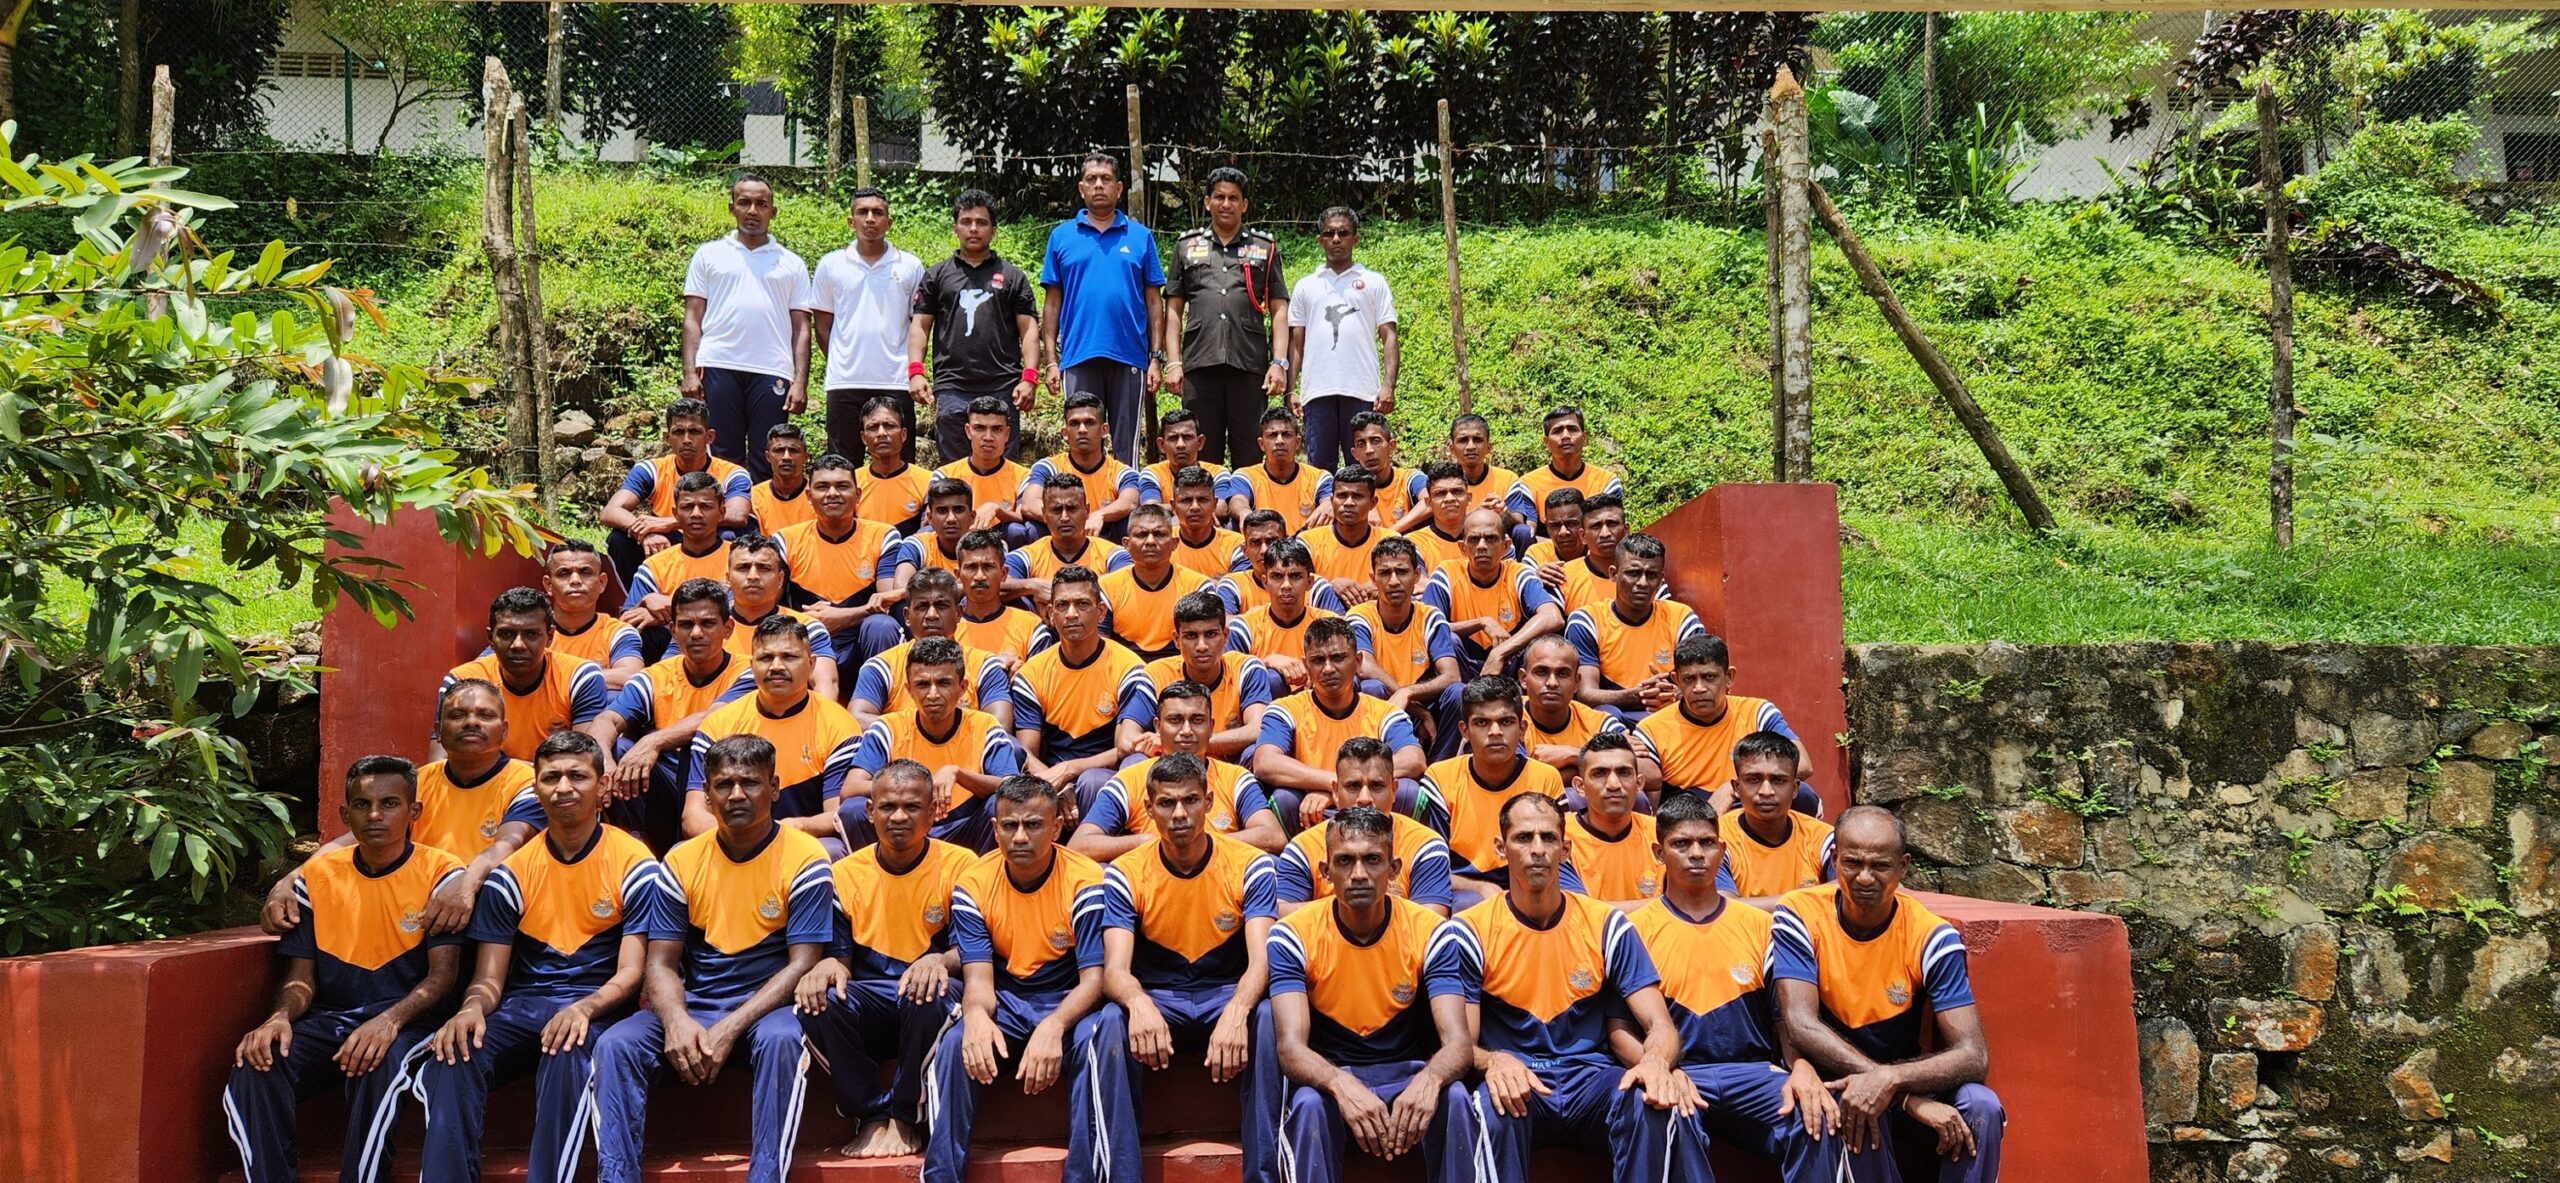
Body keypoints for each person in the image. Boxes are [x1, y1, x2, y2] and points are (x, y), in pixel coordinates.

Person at [416, 732, 667, 1183]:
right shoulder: (511, 874)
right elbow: (488, 978)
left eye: (577, 776)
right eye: (551, 778)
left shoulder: (635, 863)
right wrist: (470, 1009)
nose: (563, 787)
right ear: (536, 788)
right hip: (524, 1006)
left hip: (598, 1008)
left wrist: (583, 1009)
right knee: (454, 1053)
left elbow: (632, 973)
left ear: (601, 786)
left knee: (566, 1049)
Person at [594, 736, 832, 1183]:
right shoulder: (682, 860)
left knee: (782, 1040)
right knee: (616, 1044)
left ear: (774, 788)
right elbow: (660, 963)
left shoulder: (806, 857)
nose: (736, 794)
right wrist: (676, 1021)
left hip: (768, 1010)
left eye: (750, 783)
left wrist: (729, 1028)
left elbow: (802, 964)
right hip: (699, 1004)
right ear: (706, 794)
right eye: (724, 785)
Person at [224, 757, 465, 1183]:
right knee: (257, 1063)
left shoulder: (442, 872)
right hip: (332, 1019)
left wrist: (388, 1021)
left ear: (414, 811)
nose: (375, 815)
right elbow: (300, 978)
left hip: (410, 1022)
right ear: (344, 814)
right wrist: (277, 1019)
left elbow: (442, 977)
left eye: (389, 803)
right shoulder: (317, 876)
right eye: (362, 804)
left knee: (378, 1061)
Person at [1451, 793, 1691, 1183]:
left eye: (1548, 838)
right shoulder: (1470, 931)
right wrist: (1493, 1062)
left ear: (1565, 849)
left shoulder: (1605, 924)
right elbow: (1460, 1042)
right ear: (1500, 848)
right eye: (1523, 838)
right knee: (1490, 1110)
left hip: (1592, 1080)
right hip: (1518, 1077)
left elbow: (1660, 1025)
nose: (1537, 849)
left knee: (1653, 1102)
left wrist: (1655, 1064)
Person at [1773, 807, 2003, 1183]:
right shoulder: (1800, 913)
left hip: (1906, 1077)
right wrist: (1901, 1096)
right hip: (1837, 1082)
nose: (1864, 877)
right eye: (1852, 863)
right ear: (1835, 859)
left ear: (1903, 867)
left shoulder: (1931, 935)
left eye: (1880, 866)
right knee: (1860, 1101)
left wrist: (1891, 1082)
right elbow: (1800, 1024)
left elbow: (1973, 1056)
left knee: (1982, 1106)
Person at [1624, 791, 1843, 1183]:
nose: (1696, 854)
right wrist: (1658, 1068)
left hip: (1753, 1072)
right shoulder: (1634, 930)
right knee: (1662, 1110)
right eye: (1681, 844)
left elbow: (1786, 1020)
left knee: (1815, 1112)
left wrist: (1803, 1068)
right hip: (1683, 1071)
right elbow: (1617, 1028)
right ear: (1658, 852)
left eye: (1707, 843)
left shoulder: (1762, 926)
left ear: (1722, 850)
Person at [925, 776, 1134, 1183]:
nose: (1020, 836)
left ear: (1056, 827)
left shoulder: (1086, 878)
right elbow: (979, 980)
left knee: (1103, 1032)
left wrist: (1053, 1025)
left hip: (1070, 1000)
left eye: (1033, 825)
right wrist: (977, 1017)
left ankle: (1087, 1176)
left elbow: (1094, 979)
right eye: (1010, 825)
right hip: (1007, 1000)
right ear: (995, 828)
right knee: (954, 1043)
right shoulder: (973, 883)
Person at [1265, 805, 1477, 1183]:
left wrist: (1429, 1080)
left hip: (1408, 1073)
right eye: (1345, 861)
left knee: (1456, 1097)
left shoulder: (1431, 931)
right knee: (1308, 1105)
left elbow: (1459, 1044)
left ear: (1393, 869)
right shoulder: (1293, 934)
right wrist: (1340, 1084)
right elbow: (1290, 1048)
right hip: (1335, 1078)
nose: (1359, 874)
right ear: (1325, 871)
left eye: (1372, 860)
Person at [1097, 754, 1281, 1174]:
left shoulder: (1250, 864)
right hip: (1160, 996)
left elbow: (1262, 962)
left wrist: (1238, 1010)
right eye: (1166, 803)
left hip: (1224, 992)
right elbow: (1115, 971)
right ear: (1149, 808)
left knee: (1270, 1016)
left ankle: (1265, 1174)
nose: (1179, 814)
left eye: (1190, 801)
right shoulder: (1125, 873)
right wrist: (1138, 1004)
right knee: (1108, 1021)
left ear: (1209, 802)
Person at [795, 758, 978, 1160]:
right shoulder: (844, 873)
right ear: (869, 811)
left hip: (933, 1000)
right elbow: (841, 963)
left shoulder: (962, 865)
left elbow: (973, 950)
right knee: (817, 1001)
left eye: (912, 807)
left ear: (932, 813)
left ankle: (906, 1113)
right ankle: (869, 1111)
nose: (898, 816)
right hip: (875, 997)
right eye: (888, 807)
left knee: (927, 992)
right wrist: (828, 965)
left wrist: (939, 961)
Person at [268, 680, 540, 938]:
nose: (471, 722)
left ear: (504, 730)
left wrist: (465, 882)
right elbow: (354, 839)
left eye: (485, 715)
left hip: (487, 908)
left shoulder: (525, 781)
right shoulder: (420, 781)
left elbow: (508, 844)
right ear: (439, 731)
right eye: (457, 715)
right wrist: (291, 879)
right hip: (417, 908)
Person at [580, 579, 754, 851]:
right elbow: (607, 720)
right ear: (673, 630)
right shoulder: (656, 676)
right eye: (686, 625)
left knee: (691, 749)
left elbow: (714, 716)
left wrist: (653, 741)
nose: (696, 633)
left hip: (722, 781)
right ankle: (634, 848)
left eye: (707, 623)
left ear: (728, 628)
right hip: (663, 785)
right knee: (615, 748)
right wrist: (605, 761)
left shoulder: (748, 671)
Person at [684, 617, 863, 850]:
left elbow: (836, 814)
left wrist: (792, 828)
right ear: (751, 665)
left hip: (800, 845)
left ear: (811, 664)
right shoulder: (717, 725)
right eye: (766, 658)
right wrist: (745, 837)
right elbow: (693, 815)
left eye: (789, 657)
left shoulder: (839, 726)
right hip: (730, 843)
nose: (776, 666)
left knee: (832, 850)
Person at [842, 636, 1026, 852]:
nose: (933, 694)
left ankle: (985, 872)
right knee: (854, 809)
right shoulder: (888, 727)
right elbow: (851, 788)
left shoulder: (984, 726)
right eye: (922, 684)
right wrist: (917, 786)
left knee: (1000, 805)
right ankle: (883, 870)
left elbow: (1013, 788)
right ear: (909, 689)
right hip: (906, 825)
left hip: (965, 826)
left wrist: (958, 774)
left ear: (962, 687)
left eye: (943, 683)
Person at [681, 174, 810, 482]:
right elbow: (692, 317)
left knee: (770, 455)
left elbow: (802, 328)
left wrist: (800, 381)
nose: (753, 210)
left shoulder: (791, 263)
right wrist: (689, 372)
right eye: (745, 203)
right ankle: (728, 513)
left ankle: (763, 514)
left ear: (773, 211)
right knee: (724, 455)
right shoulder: (709, 255)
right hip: (718, 364)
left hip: (772, 368)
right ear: (732, 208)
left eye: (761, 204)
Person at [1041, 150, 1165, 465]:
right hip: (1078, 355)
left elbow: (1154, 302)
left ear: (1119, 188)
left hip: (1129, 356)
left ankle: (1127, 497)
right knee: (1082, 445)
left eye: (1106, 179)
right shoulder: (1061, 237)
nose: (1099, 185)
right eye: (1092, 179)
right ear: (1081, 188)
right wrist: (1051, 362)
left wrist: (1156, 358)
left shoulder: (1140, 237)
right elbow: (1052, 303)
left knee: (1126, 449)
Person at [1071, 679, 1284, 861]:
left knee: (1270, 864)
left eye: (1197, 720)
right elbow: (1079, 845)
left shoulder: (1235, 778)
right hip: (1153, 885)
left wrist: (1200, 845)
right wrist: (1152, 843)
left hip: (1221, 882)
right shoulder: (1130, 780)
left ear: (1211, 727)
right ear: (1157, 726)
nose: (1186, 731)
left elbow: (1273, 836)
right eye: (1175, 720)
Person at [1164, 167, 1289, 468]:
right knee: (1202, 453)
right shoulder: (1186, 246)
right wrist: (1173, 362)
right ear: (1207, 202)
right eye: (1219, 197)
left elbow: (1279, 308)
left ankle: (1246, 501)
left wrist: (1278, 362)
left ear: (1244, 205)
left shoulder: (1264, 248)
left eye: (1234, 198)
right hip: (1200, 362)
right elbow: (1173, 310)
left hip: (1248, 363)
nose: (1226, 204)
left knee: (1250, 452)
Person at [1012, 564, 1157, 818]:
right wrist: (1055, 786)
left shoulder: (1130, 669)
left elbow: (1125, 748)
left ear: (1101, 612)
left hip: (1107, 775)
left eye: (1082, 604)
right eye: (1062, 605)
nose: (1071, 614)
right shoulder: (1031, 674)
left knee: (1093, 781)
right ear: (1050, 614)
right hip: (1050, 775)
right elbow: (1028, 753)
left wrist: (1071, 769)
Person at [1252, 616, 1423, 830]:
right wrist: (1333, 784)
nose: (1328, 669)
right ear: (1306, 665)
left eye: (1338, 658)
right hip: (1312, 813)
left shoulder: (1384, 711)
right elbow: (1265, 762)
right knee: (1284, 799)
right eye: (1318, 660)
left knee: (1407, 791)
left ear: (1358, 661)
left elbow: (1414, 759)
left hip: (1370, 807)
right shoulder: (1285, 709)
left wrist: (1344, 789)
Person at [910, 189, 1040, 465]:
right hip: (952, 388)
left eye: (981, 222)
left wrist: (1029, 378)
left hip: (1002, 386)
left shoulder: (1012, 276)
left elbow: (1029, 329)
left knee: (1003, 470)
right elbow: (920, 325)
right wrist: (916, 373)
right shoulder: (937, 275)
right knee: (954, 472)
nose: (973, 228)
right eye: (966, 221)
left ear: (993, 230)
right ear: (955, 228)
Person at [1635, 635, 1820, 815]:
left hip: (1751, 808)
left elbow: (1803, 765)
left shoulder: (1756, 713)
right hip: (1691, 819)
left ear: (1729, 677)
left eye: (1709, 677)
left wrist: (1732, 787)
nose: (1699, 688)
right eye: (1689, 679)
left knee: (1803, 794)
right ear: (1676, 680)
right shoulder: (1651, 729)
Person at [1420, 679, 1571, 897]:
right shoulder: (1440, 777)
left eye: (1506, 721)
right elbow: (1431, 867)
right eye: (1482, 723)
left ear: (1522, 729)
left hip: (1533, 886)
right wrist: (1478, 887)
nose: (1495, 732)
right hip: (1465, 891)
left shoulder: (1545, 777)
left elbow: (1558, 860)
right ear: (1464, 731)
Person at [808, 186, 925, 466]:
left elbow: (918, 325)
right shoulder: (831, 265)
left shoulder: (910, 266)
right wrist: (842, 359)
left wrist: (913, 371)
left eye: (877, 213)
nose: (870, 219)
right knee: (842, 466)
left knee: (897, 464)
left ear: (889, 221)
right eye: (863, 212)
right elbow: (822, 326)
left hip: (895, 381)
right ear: (851, 221)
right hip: (844, 382)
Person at [1272, 739, 1454, 916]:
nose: (1365, 798)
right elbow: (1282, 912)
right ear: (1335, 792)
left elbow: (1431, 919)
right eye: (1353, 786)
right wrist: (1354, 906)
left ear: (1394, 790)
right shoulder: (1303, 847)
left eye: (1376, 786)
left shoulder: (1425, 845)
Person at [773, 452, 908, 681]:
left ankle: (878, 695)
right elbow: (768, 605)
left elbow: (886, 600)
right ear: (809, 496)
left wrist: (842, 617)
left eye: (842, 486)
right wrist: (807, 622)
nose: (832, 494)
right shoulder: (785, 540)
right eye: (822, 487)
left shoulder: (883, 535)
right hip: (805, 640)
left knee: (882, 626)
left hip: (860, 640)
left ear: (858, 495)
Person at [1285, 207, 1397, 472]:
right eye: (1329, 233)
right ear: (1320, 240)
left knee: (1363, 469)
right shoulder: (1305, 286)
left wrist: (1388, 385)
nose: (1336, 239)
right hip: (1317, 392)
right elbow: (1296, 343)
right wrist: (1291, 389)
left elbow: (1389, 335)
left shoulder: (1373, 282)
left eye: (1343, 233)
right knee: (1320, 471)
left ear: (1355, 239)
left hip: (1362, 390)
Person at [442, 588, 608, 762]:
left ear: (550, 637)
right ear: (490, 638)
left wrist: (512, 773)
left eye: (531, 634)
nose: (518, 645)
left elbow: (583, 763)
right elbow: (440, 760)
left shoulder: (578, 677)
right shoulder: (463, 682)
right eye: (507, 634)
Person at [599, 399, 752, 586]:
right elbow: (610, 511)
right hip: (663, 541)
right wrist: (646, 533)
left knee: (728, 535)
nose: (686, 440)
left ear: (710, 437)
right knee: (619, 540)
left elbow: (738, 514)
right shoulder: (652, 469)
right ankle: (632, 599)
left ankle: (718, 595)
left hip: (706, 537)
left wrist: (668, 522)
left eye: (694, 432)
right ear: (667, 437)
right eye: (679, 432)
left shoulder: (732, 473)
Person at [1566, 534, 1706, 726]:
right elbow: (1585, 694)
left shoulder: (1681, 618)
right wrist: (1637, 694)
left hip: (1669, 715)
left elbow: (1702, 681)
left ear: (1661, 579)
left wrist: (1677, 693)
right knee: (1606, 714)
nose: (1642, 583)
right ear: (1614, 574)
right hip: (1616, 719)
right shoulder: (1588, 620)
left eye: (1651, 575)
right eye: (1633, 573)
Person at [849, 568, 1013, 730]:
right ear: (907, 616)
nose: (932, 615)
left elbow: (1000, 725)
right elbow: (857, 720)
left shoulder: (984, 665)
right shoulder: (883, 666)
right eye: (922, 607)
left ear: (958, 613)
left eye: (941, 606)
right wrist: (924, 731)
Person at [1422, 506, 1563, 682]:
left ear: (1505, 546)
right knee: (1448, 638)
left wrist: (1500, 652)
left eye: (1491, 538)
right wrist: (1481, 623)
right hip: (1464, 669)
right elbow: (1424, 626)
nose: (1482, 546)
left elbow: (1553, 617)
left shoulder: (1517, 573)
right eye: (1474, 539)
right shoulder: (1447, 573)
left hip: (1510, 664)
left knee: (1544, 640)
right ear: (1463, 547)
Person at [1348, 537, 1463, 752]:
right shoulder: (1360, 616)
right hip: (1384, 702)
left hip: (1422, 698)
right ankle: (1374, 760)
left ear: (1417, 575)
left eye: (1401, 572)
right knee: (1371, 688)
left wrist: (1408, 693)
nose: (1393, 581)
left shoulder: (1429, 616)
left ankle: (1439, 763)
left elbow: (1451, 675)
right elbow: (1364, 666)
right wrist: (1418, 710)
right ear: (1373, 579)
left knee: (1457, 693)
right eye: (1384, 573)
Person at [1142, 592, 1280, 763]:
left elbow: (1257, 729)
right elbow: (1127, 739)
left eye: (1210, 634)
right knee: (1134, 760)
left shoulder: (1246, 668)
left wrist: (1179, 743)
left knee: (1255, 752)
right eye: (1191, 636)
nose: (1202, 646)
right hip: (1171, 770)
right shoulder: (1156, 674)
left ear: (1225, 636)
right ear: (1177, 640)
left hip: (1230, 770)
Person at [1225, 537, 1370, 693]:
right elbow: (1228, 677)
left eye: (1295, 576)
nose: (1286, 585)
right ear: (1265, 582)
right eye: (1277, 576)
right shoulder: (1245, 627)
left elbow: (1352, 668)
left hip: (1321, 701)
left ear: (1309, 582)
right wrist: (1265, 662)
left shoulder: (1331, 625)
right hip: (1269, 702)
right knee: (1272, 679)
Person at [1517, 633, 1650, 787]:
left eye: (1562, 673)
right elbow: (1517, 780)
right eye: (1541, 672)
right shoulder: (1509, 718)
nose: (1552, 683)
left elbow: (1650, 773)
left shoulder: (1598, 722)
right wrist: (1603, 761)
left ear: (1576, 682)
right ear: (1523, 679)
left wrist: (1575, 754)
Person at [1018, 392, 1151, 544]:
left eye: (1090, 422)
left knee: (1128, 523)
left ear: (1104, 430)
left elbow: (1130, 501)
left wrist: (1100, 515)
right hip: (1061, 537)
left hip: (1103, 538)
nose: (1082, 429)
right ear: (1065, 433)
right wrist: (1074, 520)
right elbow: (1029, 504)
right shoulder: (1048, 467)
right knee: (1033, 528)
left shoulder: (1122, 472)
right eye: (1074, 423)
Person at [722, 532, 841, 703]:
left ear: (780, 579)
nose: (753, 576)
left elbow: (826, 684)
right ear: (728, 578)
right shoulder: (707, 624)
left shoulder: (807, 628)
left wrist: (822, 718)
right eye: (743, 568)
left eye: (764, 568)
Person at [1719, 730, 1835, 899]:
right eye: (1753, 779)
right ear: (1737, 788)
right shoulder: (1716, 839)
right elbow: (1724, 908)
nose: (1766, 791)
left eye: (1778, 780)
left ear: (1795, 788)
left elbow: (1845, 893)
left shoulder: (1822, 837)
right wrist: (1810, 901)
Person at [620, 473, 736, 639]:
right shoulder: (654, 566)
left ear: (722, 512)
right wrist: (647, 609)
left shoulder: (741, 560)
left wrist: (670, 605)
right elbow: (628, 620)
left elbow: (749, 610)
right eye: (687, 507)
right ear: (675, 513)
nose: (696, 514)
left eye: (706, 506)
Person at [1097, 504, 1213, 660]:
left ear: (1174, 543)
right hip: (1124, 669)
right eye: (1141, 534)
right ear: (1126, 544)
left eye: (1159, 534)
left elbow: (1204, 647)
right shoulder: (1106, 587)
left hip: (1181, 669)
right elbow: (1101, 649)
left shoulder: (1198, 587)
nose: (1150, 541)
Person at [1506, 406, 1621, 553]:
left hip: (1595, 554)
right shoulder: (1528, 483)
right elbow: (1530, 533)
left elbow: (1611, 528)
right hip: (1547, 556)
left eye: (1572, 429)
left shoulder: (1607, 481)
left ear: (1584, 437)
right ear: (1546, 442)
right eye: (1558, 431)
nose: (1566, 436)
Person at [1009, 470, 1134, 604]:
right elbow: (997, 583)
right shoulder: (1029, 555)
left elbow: (1128, 583)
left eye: (1072, 508)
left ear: (1086, 511)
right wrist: (1032, 586)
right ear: (1044, 514)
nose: (1064, 517)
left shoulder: (1112, 554)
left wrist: (1057, 594)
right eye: (1056, 510)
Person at [1567, 732, 1663, 904]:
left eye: (1624, 772)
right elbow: (1576, 913)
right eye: (1599, 773)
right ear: (1580, 787)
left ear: (1639, 784)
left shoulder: (1661, 834)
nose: (1613, 784)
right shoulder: (1559, 837)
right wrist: (1662, 906)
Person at [537, 539, 645, 693]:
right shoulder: (531, 630)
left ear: (602, 583)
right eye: (564, 573)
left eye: (585, 572)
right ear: (549, 585)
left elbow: (631, 676)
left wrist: (552, 679)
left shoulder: (617, 632)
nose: (575, 581)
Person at [931, 397, 1035, 543]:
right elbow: (930, 519)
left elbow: (1024, 516)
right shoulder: (944, 475)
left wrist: (996, 510)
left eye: (996, 429)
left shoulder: (1023, 476)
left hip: (1001, 541)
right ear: (968, 431)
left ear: (1007, 434)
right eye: (979, 428)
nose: (988, 437)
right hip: (957, 540)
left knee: (1017, 531)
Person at [1216, 510, 1345, 621]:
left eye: (1271, 541)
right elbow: (1221, 624)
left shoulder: (1314, 585)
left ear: (1286, 542)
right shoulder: (1234, 584)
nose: (1264, 550)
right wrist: (1253, 619)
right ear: (1245, 550)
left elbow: (1340, 627)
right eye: (1255, 542)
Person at [1300, 466, 1400, 606]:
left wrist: (1382, 583)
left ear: (1372, 503)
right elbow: (1294, 584)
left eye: (1357, 496)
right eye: (1342, 496)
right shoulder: (1308, 541)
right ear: (1332, 500)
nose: (1348, 503)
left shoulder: (1391, 542)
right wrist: (1328, 586)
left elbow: (1412, 582)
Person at [1315, 410, 1422, 528]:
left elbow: (1429, 501)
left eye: (1376, 441)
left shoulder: (1408, 479)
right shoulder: (1346, 486)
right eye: (1361, 444)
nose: (1369, 450)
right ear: (1355, 453)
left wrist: (1392, 532)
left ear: (1391, 446)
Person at [953, 529, 1045, 664]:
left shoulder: (1032, 627)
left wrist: (1022, 671)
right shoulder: (945, 628)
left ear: (1004, 574)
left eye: (988, 567)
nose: (979, 576)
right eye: (971, 567)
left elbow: (1040, 676)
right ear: (958, 575)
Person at [1228, 407, 1323, 533]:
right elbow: (1238, 500)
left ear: (1298, 442)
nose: (1279, 441)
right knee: (1232, 525)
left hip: (1305, 543)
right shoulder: (1246, 476)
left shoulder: (1317, 477)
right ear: (1261, 444)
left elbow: (1329, 499)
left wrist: (1328, 504)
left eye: (1286, 435)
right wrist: (1244, 512)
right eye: (1272, 435)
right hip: (1265, 542)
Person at [854, 395, 934, 534]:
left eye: (889, 426)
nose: (881, 433)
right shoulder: (852, 482)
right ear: (863, 438)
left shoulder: (927, 481)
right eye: (873, 427)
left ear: (903, 434)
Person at [882, 476, 979, 589]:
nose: (951, 519)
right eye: (942, 511)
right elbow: (900, 587)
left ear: (972, 517)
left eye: (958, 510)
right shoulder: (918, 544)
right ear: (930, 517)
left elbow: (998, 586)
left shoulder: (986, 546)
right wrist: (967, 588)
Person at [1142, 409, 1237, 521]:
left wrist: (1177, 513)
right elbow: (1150, 510)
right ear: (1162, 445)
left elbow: (1221, 509)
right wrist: (1201, 510)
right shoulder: (1153, 473)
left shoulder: (1217, 473)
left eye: (1187, 437)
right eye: (1173, 438)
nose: (1180, 445)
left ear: (1200, 442)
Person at [1166, 464, 1247, 580]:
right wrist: (1218, 583)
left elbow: (1238, 587)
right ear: (1173, 506)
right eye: (1186, 500)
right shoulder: (1161, 543)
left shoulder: (1238, 545)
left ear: (1214, 504)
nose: (1195, 507)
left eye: (1202, 500)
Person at [1551, 489, 1627, 614]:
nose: (1605, 534)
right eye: (1595, 526)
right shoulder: (1562, 577)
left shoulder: (1644, 574)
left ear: (1626, 530)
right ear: (1583, 536)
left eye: (1612, 524)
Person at [1438, 413, 1519, 529]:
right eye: (1463, 440)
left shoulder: (1507, 479)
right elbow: (1442, 525)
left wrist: (1504, 513)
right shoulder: (1442, 483)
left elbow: (1521, 523)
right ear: (1452, 448)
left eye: (1477, 440)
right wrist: (1479, 513)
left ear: (1489, 447)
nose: (1471, 446)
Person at [1400, 463, 1473, 573]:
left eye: (1457, 491)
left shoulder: (1485, 538)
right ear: (1428, 502)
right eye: (1440, 493)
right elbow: (1418, 581)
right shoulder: (1413, 543)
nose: (1449, 498)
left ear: (1469, 498)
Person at [748, 423, 820, 535]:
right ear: (768, 457)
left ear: (805, 457)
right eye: (779, 450)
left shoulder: (819, 496)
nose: (787, 457)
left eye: (794, 451)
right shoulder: (753, 497)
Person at [1524, 487, 1587, 577]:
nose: (1563, 532)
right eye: (1555, 526)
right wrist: (1535, 577)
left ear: (1585, 522)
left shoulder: (1599, 552)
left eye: (1571, 524)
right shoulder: (1536, 554)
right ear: (1547, 526)